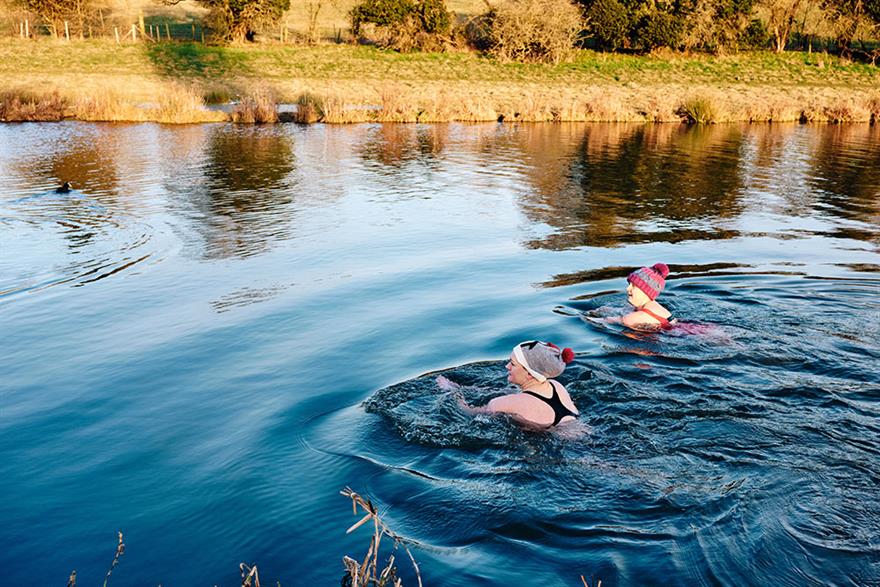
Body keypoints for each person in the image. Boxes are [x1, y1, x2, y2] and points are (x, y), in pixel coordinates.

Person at [449, 340, 579, 429]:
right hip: (582, 431)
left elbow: (468, 412)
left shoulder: (500, 404)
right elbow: (527, 398)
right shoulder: (556, 386)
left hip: (554, 442)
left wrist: (453, 393)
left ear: (529, 374)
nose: (507, 366)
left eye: (513, 364)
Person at [615, 263, 676, 331]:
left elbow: (604, 321)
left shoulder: (631, 319)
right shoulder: (654, 306)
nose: (628, 288)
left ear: (646, 291)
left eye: (634, 286)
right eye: (629, 284)